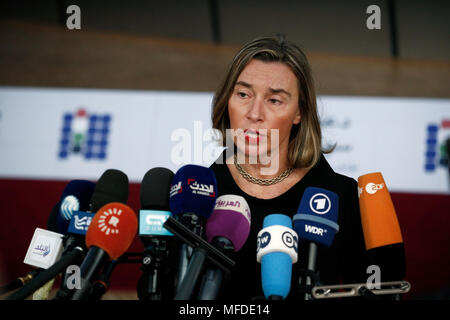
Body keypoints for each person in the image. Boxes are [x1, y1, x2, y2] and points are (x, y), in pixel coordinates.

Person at [209, 35, 369, 300]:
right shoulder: (201, 190)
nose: (254, 113)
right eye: (243, 94)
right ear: (227, 100)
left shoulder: (342, 195)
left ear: (299, 113)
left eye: (274, 100)